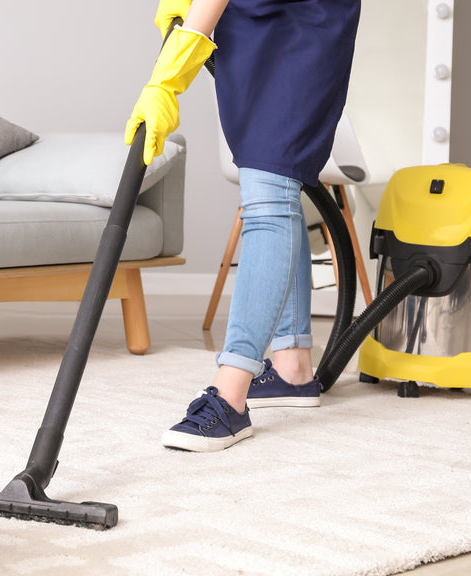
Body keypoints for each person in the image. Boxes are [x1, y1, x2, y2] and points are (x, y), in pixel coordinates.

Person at [125, 0, 361, 452]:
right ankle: (292, 367)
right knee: (270, 184)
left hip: (301, 26)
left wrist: (167, 79)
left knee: (270, 194)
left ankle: (231, 396)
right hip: (253, 27)